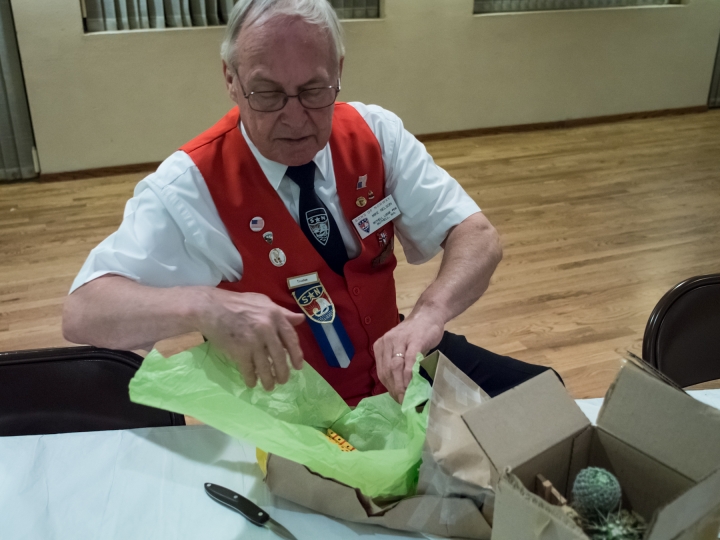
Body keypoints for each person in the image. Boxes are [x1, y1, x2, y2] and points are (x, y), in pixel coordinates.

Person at [63, 0, 555, 407]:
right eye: (268, 93)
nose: (295, 118)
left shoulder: (374, 134)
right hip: (292, 408)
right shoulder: (191, 183)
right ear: (231, 80)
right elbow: (83, 311)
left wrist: (429, 314)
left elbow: (478, 236)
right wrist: (204, 305)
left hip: (398, 365)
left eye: (314, 91)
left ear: (339, 71)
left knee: (546, 400)